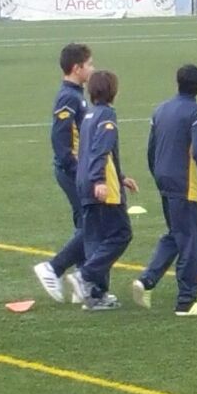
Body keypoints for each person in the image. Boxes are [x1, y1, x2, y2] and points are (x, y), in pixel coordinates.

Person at [133, 65, 197, 315]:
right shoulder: (196, 112)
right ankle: (186, 301)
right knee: (191, 239)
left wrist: (158, 174)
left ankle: (147, 280)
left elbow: (151, 149)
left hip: (164, 178)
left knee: (175, 234)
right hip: (184, 181)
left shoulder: (161, 109)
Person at [32, 44, 95, 305]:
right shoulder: (69, 97)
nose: (92, 68)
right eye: (89, 64)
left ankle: (83, 283)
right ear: (77, 68)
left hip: (77, 169)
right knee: (93, 225)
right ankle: (53, 268)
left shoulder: (77, 94)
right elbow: (60, 138)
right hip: (73, 171)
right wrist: (76, 169)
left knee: (85, 224)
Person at [74, 70, 138, 311]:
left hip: (84, 182)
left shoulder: (89, 115)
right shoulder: (107, 115)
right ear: (114, 91)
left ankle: (95, 295)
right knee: (121, 234)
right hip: (101, 186)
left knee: (96, 238)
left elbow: (90, 151)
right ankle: (85, 275)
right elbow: (101, 149)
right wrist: (101, 180)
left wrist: (120, 177)